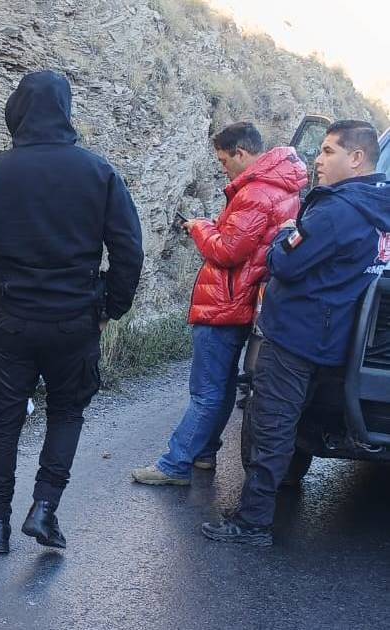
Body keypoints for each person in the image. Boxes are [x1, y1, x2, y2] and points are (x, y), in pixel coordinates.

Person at [0, 70, 143, 554]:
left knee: (3, 421)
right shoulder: (99, 173)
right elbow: (129, 251)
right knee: (67, 412)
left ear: (18, 111)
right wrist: (111, 308)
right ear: (65, 110)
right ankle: (44, 509)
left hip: (9, 323)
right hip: (75, 321)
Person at [203, 119, 390, 546]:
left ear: (356, 158)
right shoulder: (377, 208)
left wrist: (285, 235)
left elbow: (284, 262)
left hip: (296, 337)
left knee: (272, 425)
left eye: (328, 151)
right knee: (288, 423)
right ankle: (260, 509)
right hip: (336, 339)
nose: (317, 160)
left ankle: (252, 523)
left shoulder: (337, 212)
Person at [132, 123, 307, 486]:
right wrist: (216, 227)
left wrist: (199, 228)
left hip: (224, 303)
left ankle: (175, 464)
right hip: (244, 301)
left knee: (206, 392)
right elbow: (248, 242)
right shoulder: (282, 187)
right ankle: (204, 452)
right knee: (222, 385)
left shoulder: (256, 192)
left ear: (241, 153)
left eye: (224, 160)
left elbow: (227, 251)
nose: (223, 168)